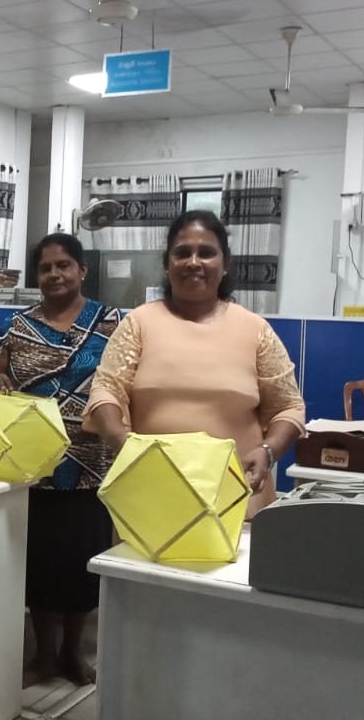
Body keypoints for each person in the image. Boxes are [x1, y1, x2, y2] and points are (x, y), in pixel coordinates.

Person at [84, 210, 305, 519]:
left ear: (225, 264)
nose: (193, 262)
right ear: (167, 263)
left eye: (207, 253)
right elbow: (106, 391)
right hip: (150, 502)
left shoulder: (255, 330)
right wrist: (122, 442)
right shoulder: (138, 324)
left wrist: (267, 453)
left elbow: (289, 408)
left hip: (236, 504)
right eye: (182, 253)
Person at [0, 233, 122, 687]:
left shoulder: (112, 323)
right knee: (42, 562)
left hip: (93, 463)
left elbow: (127, 380)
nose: (55, 274)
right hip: (36, 464)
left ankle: (74, 652)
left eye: (64, 265)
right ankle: (43, 655)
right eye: (46, 267)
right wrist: (2, 380)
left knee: (83, 562)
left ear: (82, 270)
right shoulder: (18, 326)